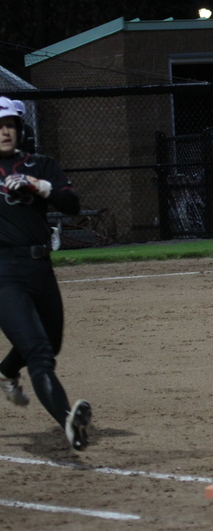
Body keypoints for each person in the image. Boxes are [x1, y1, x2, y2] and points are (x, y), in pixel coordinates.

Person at [0, 96, 92, 451]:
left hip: (40, 268)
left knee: (51, 344)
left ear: (20, 129)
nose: (5, 131)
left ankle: (7, 370)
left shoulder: (41, 164)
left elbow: (72, 203)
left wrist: (41, 186)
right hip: (4, 273)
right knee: (39, 353)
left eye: (10, 125)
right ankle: (70, 421)